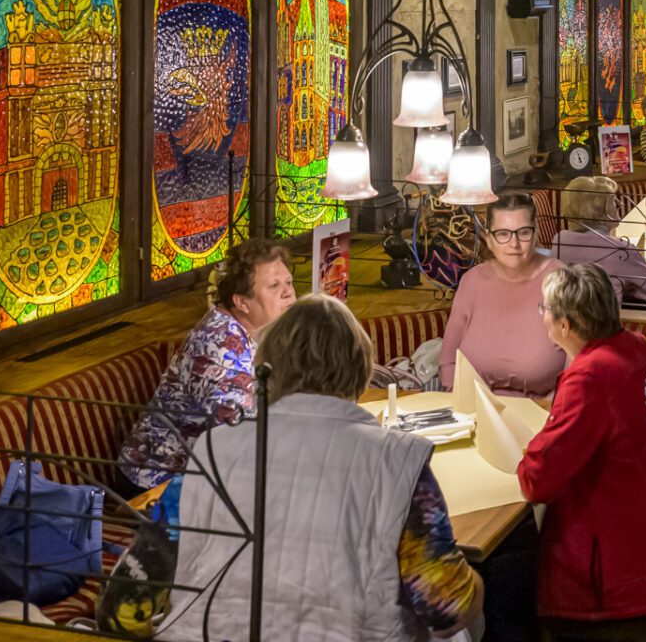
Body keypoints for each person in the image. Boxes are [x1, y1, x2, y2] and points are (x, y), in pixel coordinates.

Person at [160, 295, 483, 641]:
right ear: (360, 369)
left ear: (268, 367)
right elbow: (446, 609)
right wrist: (479, 584)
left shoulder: (210, 449)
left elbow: (134, 591)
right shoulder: (397, 461)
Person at [519, 264, 646, 626]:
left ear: (565, 325)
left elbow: (538, 482)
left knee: (510, 569)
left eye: (544, 309)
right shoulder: (636, 344)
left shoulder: (590, 376)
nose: (542, 316)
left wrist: (528, 449)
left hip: (639, 561)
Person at [119, 238, 294, 490]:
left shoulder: (267, 331)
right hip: (158, 484)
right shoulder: (218, 342)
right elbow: (239, 430)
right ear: (242, 302)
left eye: (288, 282)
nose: (288, 293)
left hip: (210, 476)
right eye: (274, 285)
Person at [440, 191, 565, 397]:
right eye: (503, 234)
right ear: (489, 238)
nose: (513, 244)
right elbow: (448, 361)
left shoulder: (561, 280)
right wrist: (460, 400)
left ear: (535, 233)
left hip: (544, 410)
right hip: (473, 408)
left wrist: (556, 407)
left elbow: (580, 363)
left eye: (523, 232)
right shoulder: (472, 281)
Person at [549, 176, 646, 305]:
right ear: (598, 215)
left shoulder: (559, 240)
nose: (620, 204)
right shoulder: (620, 250)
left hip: (563, 315)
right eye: (613, 201)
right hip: (607, 317)